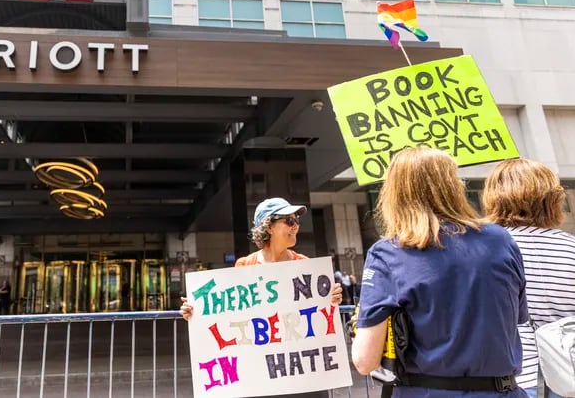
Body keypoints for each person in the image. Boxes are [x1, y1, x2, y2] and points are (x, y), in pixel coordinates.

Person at [352, 147, 528, 397]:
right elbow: (515, 318)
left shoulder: (388, 253)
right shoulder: (501, 240)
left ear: (394, 193)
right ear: (454, 186)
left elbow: (364, 361)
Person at [482, 158, 575, 398]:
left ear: (493, 197)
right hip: (569, 378)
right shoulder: (571, 247)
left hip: (512, 379)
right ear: (553, 200)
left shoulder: (483, 251)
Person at [180, 197, 343, 320]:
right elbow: (232, 315)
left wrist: (331, 297)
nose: (296, 226)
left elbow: (319, 314)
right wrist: (197, 312)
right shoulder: (245, 265)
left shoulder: (305, 264)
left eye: (297, 220)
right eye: (290, 220)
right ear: (269, 226)